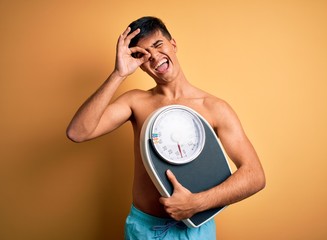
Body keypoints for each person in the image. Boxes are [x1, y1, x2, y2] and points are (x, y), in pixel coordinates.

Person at [67, 16, 265, 240]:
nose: (154, 57)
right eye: (143, 54)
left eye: (158, 45)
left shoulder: (214, 108)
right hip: (144, 230)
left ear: (174, 44)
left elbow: (254, 176)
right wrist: (118, 74)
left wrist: (196, 204)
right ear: (139, 64)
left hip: (196, 229)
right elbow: (78, 132)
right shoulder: (135, 102)